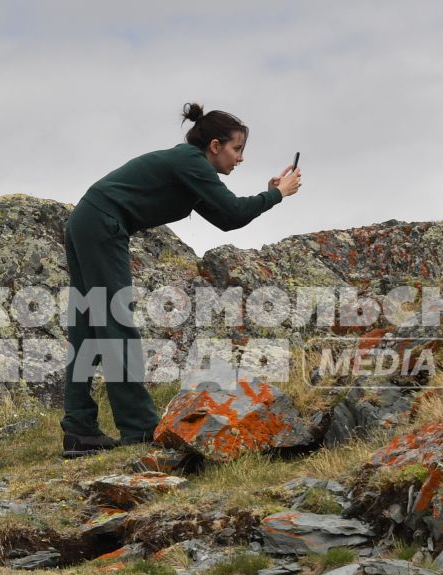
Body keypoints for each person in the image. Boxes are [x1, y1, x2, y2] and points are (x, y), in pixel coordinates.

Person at [61, 101, 303, 458]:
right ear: (215, 146)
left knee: (87, 327)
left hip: (88, 219)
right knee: (115, 324)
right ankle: (139, 427)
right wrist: (277, 194)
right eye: (237, 149)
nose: (240, 159)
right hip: (101, 225)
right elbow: (234, 212)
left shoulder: (191, 170)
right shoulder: (191, 162)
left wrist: (268, 194)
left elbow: (225, 217)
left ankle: (79, 430)